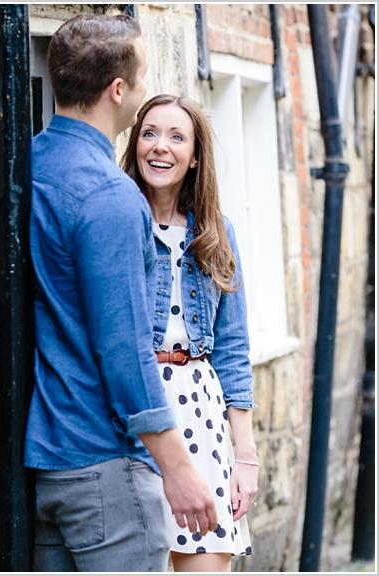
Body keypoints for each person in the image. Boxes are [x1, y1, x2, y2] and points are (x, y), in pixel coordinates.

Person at [23, 14, 218, 572]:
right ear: (118, 89)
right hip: (104, 466)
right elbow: (124, 349)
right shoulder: (108, 195)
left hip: (52, 459)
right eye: (142, 75)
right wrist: (178, 467)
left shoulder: (30, 164)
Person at [120, 94, 259, 572]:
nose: (161, 147)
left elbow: (235, 350)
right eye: (150, 133)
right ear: (135, 143)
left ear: (195, 155)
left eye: (177, 137)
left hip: (201, 415)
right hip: (134, 411)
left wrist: (247, 458)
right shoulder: (117, 222)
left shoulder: (217, 234)